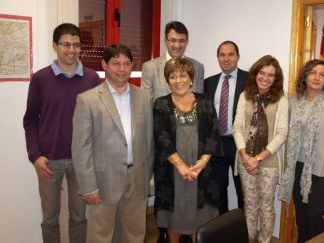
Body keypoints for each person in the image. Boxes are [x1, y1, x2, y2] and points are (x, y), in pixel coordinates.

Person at [23, 23, 101, 243]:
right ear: (54, 46)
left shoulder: (92, 78)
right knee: (49, 218)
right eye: (66, 44)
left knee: (79, 217)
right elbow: (30, 120)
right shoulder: (40, 79)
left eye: (76, 45)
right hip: (48, 161)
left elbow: (98, 121)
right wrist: (35, 156)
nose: (71, 50)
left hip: (81, 161)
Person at [71, 44, 153, 243]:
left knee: (135, 234)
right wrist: (89, 187)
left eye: (126, 63)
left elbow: (148, 141)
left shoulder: (143, 97)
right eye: (116, 63)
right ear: (104, 65)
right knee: (100, 236)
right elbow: (80, 148)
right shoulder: (87, 100)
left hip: (137, 178)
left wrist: (147, 177)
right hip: (103, 180)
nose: (122, 69)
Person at [153, 58, 220, 243]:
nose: (178, 80)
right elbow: (161, 137)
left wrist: (202, 164)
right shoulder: (161, 104)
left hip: (201, 171)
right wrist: (181, 166)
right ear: (167, 81)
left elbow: (213, 134)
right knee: (174, 219)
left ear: (191, 78)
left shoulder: (205, 101)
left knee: (199, 219)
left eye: (183, 75)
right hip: (172, 170)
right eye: (172, 76)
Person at [279, 59, 324, 243]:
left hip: (321, 170)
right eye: (313, 72)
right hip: (296, 168)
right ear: (305, 75)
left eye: (322, 74)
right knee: (301, 217)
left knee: (314, 217)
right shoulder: (294, 101)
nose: (317, 77)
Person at [233, 55, 288, 243]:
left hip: (269, 161)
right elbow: (238, 127)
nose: (265, 78)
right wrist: (246, 156)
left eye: (270, 75)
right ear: (255, 74)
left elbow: (281, 133)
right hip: (245, 160)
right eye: (262, 73)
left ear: (276, 78)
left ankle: (264, 241)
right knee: (250, 205)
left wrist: (258, 158)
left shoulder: (281, 99)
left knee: (266, 206)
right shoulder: (244, 96)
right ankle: (248, 239)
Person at [204, 40, 248, 214]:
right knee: (219, 190)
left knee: (242, 190)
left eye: (231, 54)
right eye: (222, 55)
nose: (226, 59)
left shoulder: (249, 79)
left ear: (238, 56)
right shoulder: (209, 82)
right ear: (217, 58)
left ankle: (242, 229)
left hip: (240, 144)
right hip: (217, 145)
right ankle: (222, 229)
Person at [142, 20, 204, 103]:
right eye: (173, 40)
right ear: (166, 41)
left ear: (187, 42)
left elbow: (199, 102)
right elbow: (145, 104)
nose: (177, 45)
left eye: (181, 41)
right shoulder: (150, 68)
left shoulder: (197, 67)